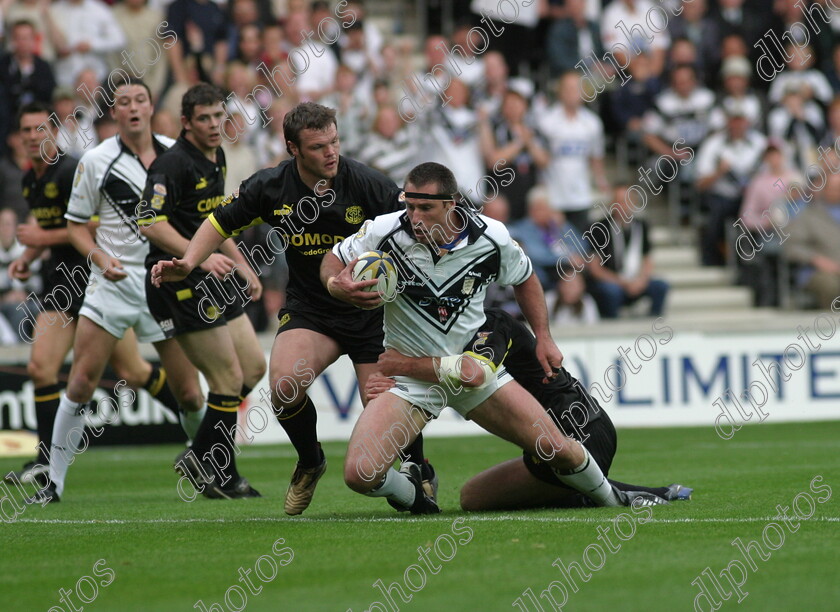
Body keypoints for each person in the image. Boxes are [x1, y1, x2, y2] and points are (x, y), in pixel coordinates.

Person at [321, 162, 661, 515]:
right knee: (359, 474)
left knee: (557, 448)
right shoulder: (385, 231)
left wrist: (544, 337)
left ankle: (612, 499)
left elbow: (525, 277)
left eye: (426, 208)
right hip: (411, 380)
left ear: (451, 204)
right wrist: (336, 284)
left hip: (474, 371)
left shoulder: (491, 237)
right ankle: (414, 495)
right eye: (409, 206)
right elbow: (333, 258)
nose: (415, 217)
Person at [150, 102, 434, 515]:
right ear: (293, 148)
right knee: (283, 387)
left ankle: (418, 466)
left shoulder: (368, 184)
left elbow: (415, 229)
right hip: (312, 311)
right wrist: (189, 262)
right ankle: (310, 461)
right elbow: (218, 222)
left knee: (386, 404)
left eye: (335, 142)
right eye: (319, 146)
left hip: (374, 313)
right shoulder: (270, 187)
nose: (331, 152)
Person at [23, 79, 205, 505]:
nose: (134, 108)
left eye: (141, 99)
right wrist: (100, 258)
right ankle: (54, 483)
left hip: (165, 283)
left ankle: (212, 467)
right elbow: (75, 225)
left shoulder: (176, 155)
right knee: (81, 380)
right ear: (115, 112)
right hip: (112, 286)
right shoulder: (95, 160)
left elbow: (199, 216)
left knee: (191, 393)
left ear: (150, 106)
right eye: (124, 102)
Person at [366, 308, 692, 510]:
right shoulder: (449, 341)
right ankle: (603, 491)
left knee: (477, 497)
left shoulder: (491, 325)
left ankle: (638, 494)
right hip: (555, 434)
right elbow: (443, 380)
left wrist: (402, 369)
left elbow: (470, 376)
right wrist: (399, 385)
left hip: (579, 427)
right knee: (473, 498)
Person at [139, 83, 266, 499]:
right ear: (186, 123)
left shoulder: (218, 156)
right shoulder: (171, 164)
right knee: (227, 378)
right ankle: (222, 472)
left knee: (252, 370)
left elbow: (217, 220)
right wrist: (197, 258)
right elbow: (150, 224)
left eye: (218, 116)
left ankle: (201, 453)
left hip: (211, 276)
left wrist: (244, 266)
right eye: (205, 119)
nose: (214, 126)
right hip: (177, 277)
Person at [586, 185, 669, 319]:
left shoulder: (641, 225)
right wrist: (622, 282)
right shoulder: (599, 228)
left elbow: (647, 258)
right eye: (617, 202)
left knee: (660, 286)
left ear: (634, 203)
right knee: (610, 291)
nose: (622, 206)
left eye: (625, 201)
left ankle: (654, 323)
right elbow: (595, 268)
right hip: (613, 281)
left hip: (634, 279)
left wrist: (641, 280)